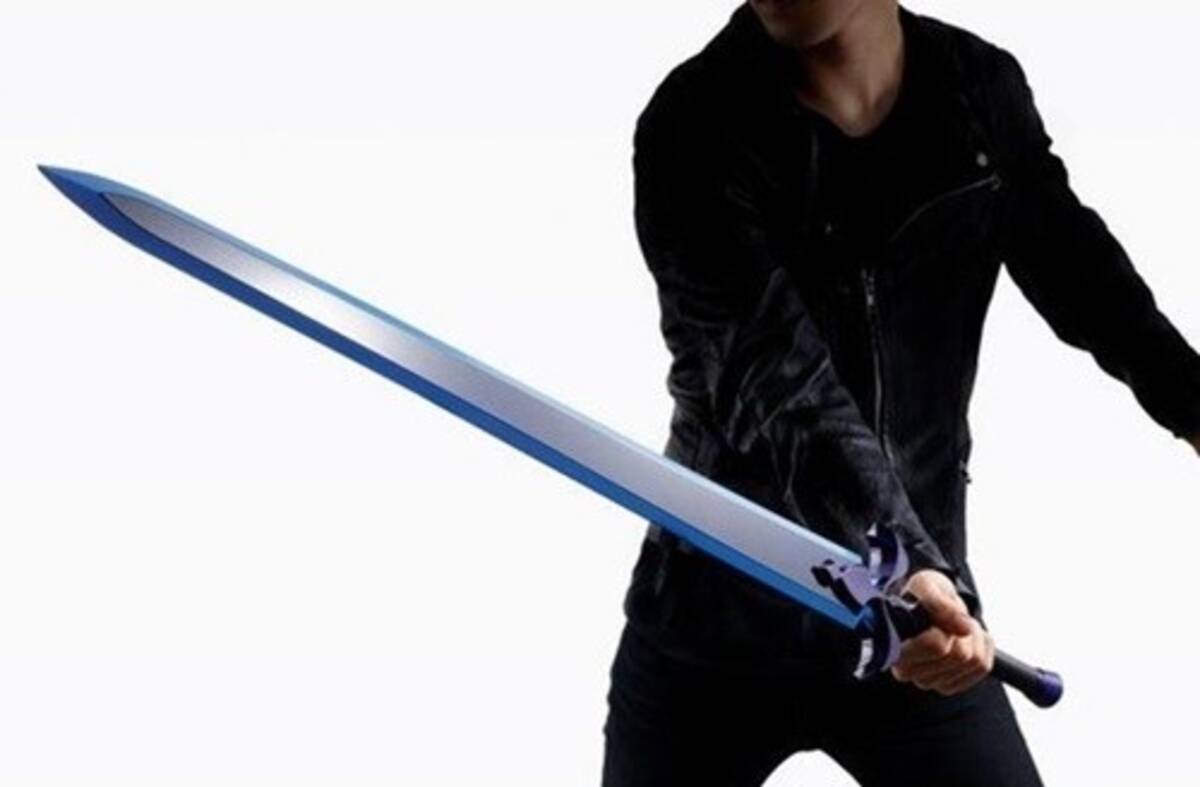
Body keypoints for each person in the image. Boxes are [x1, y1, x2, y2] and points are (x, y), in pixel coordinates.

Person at [601, 1, 1200, 785]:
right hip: (718, 635)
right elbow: (782, 387)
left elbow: (1082, 274)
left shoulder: (978, 92)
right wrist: (904, 560)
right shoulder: (692, 125)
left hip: (916, 630)